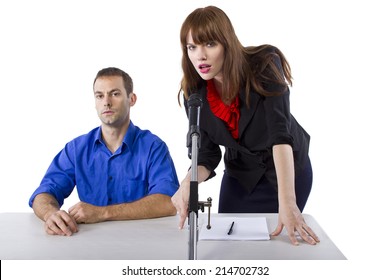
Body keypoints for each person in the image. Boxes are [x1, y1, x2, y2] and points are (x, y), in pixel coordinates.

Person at [171, 6, 320, 246]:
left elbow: (279, 136)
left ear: (227, 43)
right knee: (228, 242)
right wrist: (188, 182)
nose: (200, 56)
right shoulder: (194, 93)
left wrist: (287, 201)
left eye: (209, 44)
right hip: (242, 174)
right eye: (192, 47)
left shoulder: (264, 65)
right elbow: (207, 156)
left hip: (285, 172)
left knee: (275, 245)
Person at [29, 67, 179, 236]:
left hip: (140, 241)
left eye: (115, 94)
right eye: (100, 96)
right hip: (89, 242)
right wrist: (51, 214)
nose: (106, 102)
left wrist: (102, 213)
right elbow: (44, 193)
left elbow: (168, 202)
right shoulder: (77, 149)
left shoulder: (153, 147)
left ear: (132, 99)